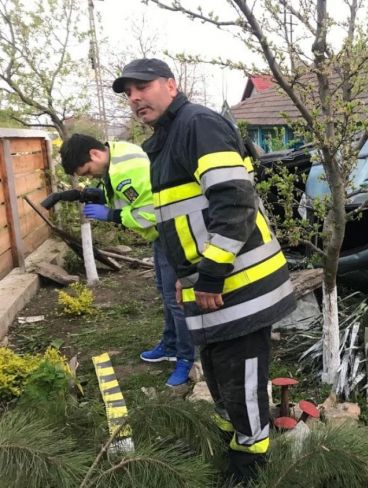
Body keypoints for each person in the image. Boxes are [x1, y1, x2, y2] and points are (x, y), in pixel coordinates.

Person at [112, 58, 296, 482]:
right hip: (213, 285)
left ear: (171, 85)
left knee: (242, 379)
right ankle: (230, 443)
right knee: (218, 373)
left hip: (240, 284)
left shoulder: (197, 124)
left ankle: (251, 465)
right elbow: (182, 224)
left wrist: (210, 275)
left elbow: (234, 203)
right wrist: (185, 278)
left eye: (142, 87)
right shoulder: (167, 139)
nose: (135, 98)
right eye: (129, 93)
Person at [59, 134, 195, 387]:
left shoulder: (127, 171)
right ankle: (170, 345)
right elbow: (128, 195)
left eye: (87, 171)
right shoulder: (117, 153)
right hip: (162, 236)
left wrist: (112, 215)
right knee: (166, 294)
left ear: (94, 154)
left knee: (177, 300)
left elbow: (153, 212)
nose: (90, 176)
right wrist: (94, 194)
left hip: (172, 233)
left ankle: (186, 357)